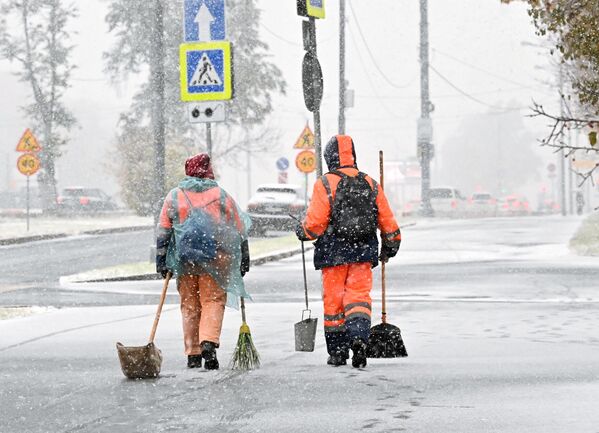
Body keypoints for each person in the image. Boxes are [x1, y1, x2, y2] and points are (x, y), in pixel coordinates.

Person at [295, 135, 402, 368]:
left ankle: (338, 351)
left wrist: (302, 231)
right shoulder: (371, 184)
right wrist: (390, 245)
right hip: (363, 252)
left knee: (334, 304)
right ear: (353, 155)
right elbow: (388, 222)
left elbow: (315, 224)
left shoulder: (325, 184)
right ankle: (359, 339)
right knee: (358, 298)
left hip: (332, 253)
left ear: (329, 157)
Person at [156, 153, 250, 370]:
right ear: (208, 171)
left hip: (185, 259)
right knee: (213, 301)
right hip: (216, 260)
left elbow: (164, 230)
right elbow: (238, 227)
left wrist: (161, 259)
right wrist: (243, 255)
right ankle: (208, 341)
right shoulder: (220, 195)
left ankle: (193, 353)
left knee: (189, 305)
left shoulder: (175, 196)